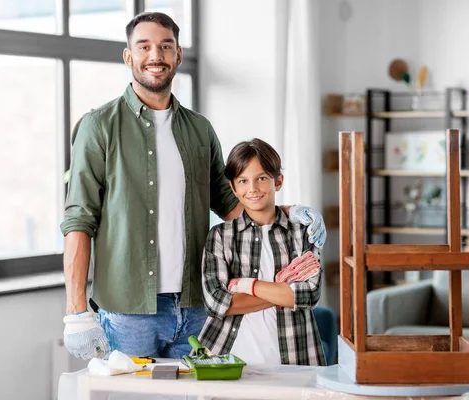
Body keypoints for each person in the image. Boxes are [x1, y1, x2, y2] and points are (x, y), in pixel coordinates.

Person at [60, 12, 327, 360]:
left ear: (178, 55)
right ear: (129, 57)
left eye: (165, 46)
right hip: (129, 313)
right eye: (144, 47)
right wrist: (76, 311)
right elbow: (79, 219)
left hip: (195, 306)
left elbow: (231, 201)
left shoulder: (200, 130)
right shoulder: (99, 127)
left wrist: (290, 212)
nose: (155, 55)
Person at [199, 138, 326, 366]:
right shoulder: (220, 236)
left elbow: (309, 295)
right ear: (233, 187)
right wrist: (283, 288)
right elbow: (217, 303)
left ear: (278, 181)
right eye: (243, 181)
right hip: (230, 360)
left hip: (297, 358)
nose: (253, 189)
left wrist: (248, 286)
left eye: (262, 178)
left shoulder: (302, 232)